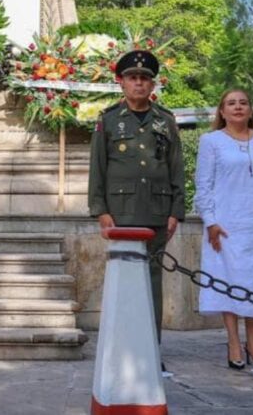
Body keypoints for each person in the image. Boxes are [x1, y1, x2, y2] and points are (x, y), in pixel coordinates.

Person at [87, 49, 184, 373]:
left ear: (152, 83)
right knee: (123, 283)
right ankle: (123, 350)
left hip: (157, 213)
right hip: (122, 214)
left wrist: (175, 211)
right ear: (121, 82)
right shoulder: (109, 119)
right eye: (133, 78)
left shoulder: (166, 120)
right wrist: (100, 210)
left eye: (144, 78)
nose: (139, 83)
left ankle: (150, 352)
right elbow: (97, 169)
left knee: (153, 285)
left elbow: (176, 169)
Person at [194, 89, 253, 373]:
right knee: (229, 283)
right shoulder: (211, 141)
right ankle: (233, 343)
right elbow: (203, 185)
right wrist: (210, 221)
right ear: (221, 111)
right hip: (225, 227)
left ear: (251, 109)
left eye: (243, 102)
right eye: (231, 103)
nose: (237, 107)